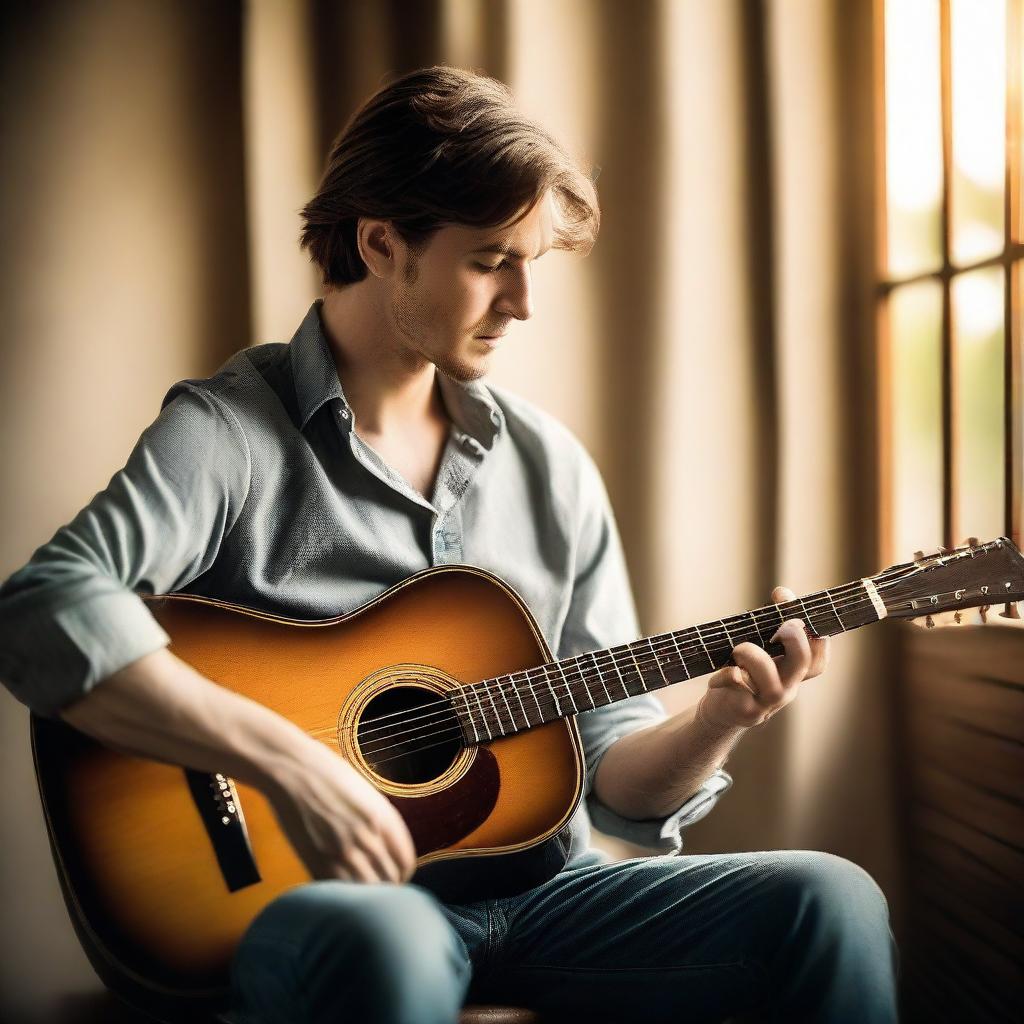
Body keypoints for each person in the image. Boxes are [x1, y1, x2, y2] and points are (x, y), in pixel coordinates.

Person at [0, 66, 897, 1023]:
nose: (523, 302)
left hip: (549, 900)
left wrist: (719, 716)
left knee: (828, 898)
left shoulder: (551, 467)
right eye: (489, 261)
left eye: (531, 263)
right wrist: (288, 764)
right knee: (381, 943)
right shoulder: (229, 433)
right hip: (343, 906)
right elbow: (43, 605)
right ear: (383, 243)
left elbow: (613, 774)